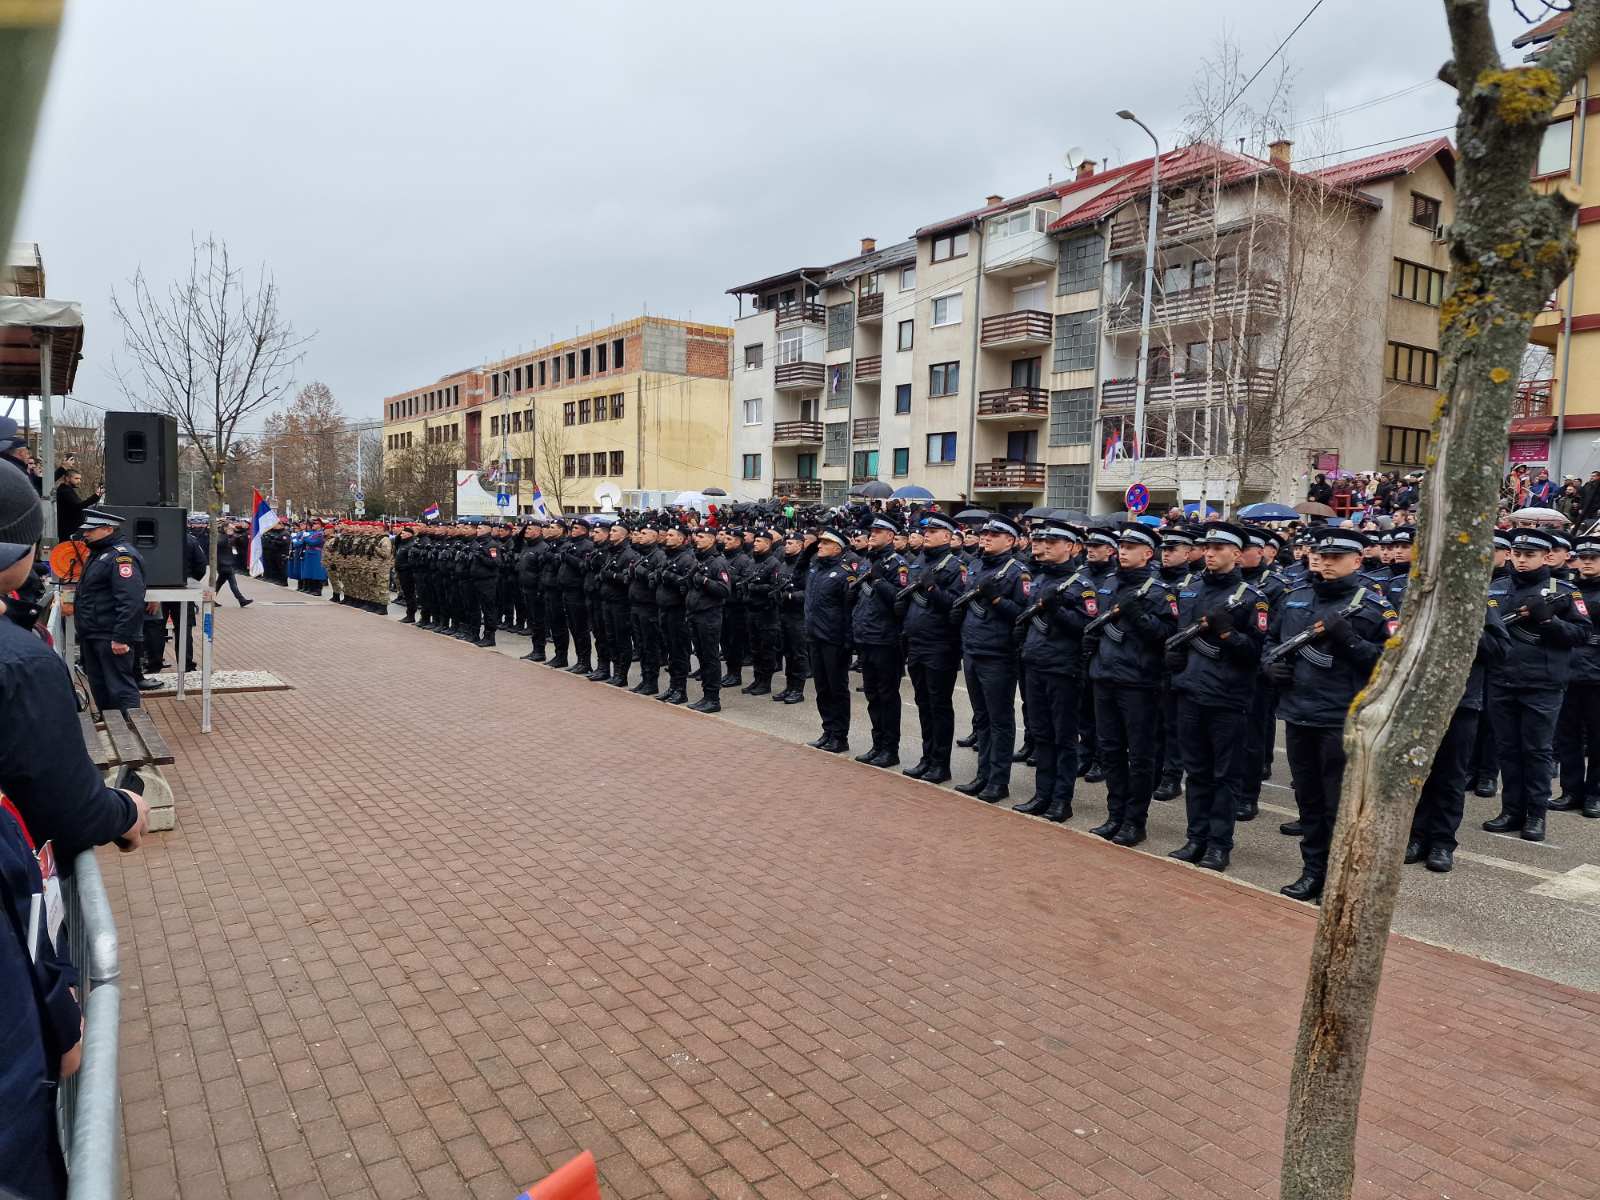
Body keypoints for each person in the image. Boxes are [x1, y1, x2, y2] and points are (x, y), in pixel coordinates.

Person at [1266, 528, 1396, 901]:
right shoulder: (1296, 598)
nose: (1325, 562)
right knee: (1308, 801)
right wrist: (1269, 668)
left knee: (1338, 804)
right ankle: (1312, 871)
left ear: (1357, 561)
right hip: (1299, 713)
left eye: (1336, 557)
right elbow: (1272, 642)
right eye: (1321, 555)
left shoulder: (1374, 606)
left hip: (1342, 718)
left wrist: (1349, 639)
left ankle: (1340, 880)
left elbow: (1391, 664)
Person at [1164, 522, 1266, 873]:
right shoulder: (1189, 590)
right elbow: (1179, 637)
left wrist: (1227, 634)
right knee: (1196, 771)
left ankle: (1219, 844)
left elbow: (1256, 653)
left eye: (1219, 548)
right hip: (1191, 693)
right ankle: (1196, 837)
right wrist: (1175, 662)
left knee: (1225, 776)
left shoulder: (1251, 598)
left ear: (1237, 554)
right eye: (1207, 547)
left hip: (1227, 697)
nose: (1209, 553)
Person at [1484, 528, 1589, 842]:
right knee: (1508, 750)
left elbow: (1581, 634)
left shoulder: (1565, 591)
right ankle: (1511, 810)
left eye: (1529, 555)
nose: (1521, 560)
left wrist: (1549, 621)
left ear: (1546, 556)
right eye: (1517, 554)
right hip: (1502, 679)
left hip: (1542, 683)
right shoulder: (1497, 588)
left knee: (1537, 751)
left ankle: (1535, 815)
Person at [1084, 524, 1179, 845]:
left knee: (1139, 756)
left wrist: (1139, 615)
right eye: (1121, 545)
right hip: (1104, 677)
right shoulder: (1109, 583)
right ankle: (1115, 814)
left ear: (1148, 553)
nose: (1122, 551)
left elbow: (1168, 636)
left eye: (1131, 546)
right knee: (1109, 750)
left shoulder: (1159, 591)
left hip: (1139, 683)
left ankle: (1135, 821)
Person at [1407, 597, 1510, 872]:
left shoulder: (1478, 603)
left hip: (1460, 703)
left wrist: (1470, 628)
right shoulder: (1418, 598)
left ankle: (1442, 842)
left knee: (1451, 777)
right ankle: (1416, 837)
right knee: (1419, 776)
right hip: (1420, 701)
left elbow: (1500, 651)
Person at [1014, 520, 1093, 822]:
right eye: (1042, 541)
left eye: (1053, 542)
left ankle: (1061, 799)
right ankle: (1042, 794)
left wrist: (1057, 610)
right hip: (1035, 664)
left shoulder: (1081, 585)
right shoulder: (1038, 579)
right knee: (1042, 733)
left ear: (1072, 547)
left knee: (1063, 737)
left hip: (1063, 669)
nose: (1044, 546)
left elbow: (1086, 627)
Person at [955, 514, 1031, 804]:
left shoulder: (1017, 571)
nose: (985, 538)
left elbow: (1023, 616)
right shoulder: (975, 565)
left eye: (993, 535)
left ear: (1010, 540)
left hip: (998, 653)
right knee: (981, 717)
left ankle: (999, 780)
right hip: (973, 648)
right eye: (984, 534)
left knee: (1000, 720)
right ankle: (983, 773)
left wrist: (999, 600)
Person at [900, 513, 966, 783]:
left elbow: (955, 604)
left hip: (940, 644)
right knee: (923, 703)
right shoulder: (919, 561)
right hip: (917, 642)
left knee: (939, 705)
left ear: (948, 537)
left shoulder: (954, 566)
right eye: (925, 530)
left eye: (934, 530)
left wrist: (932, 588)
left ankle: (941, 763)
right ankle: (927, 758)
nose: (926, 534)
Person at [72, 508, 159, 710]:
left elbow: (130, 600)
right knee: (100, 687)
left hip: (110, 635)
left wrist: (121, 637)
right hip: (93, 634)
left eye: (90, 530)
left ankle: (129, 730)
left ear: (107, 529)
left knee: (120, 689)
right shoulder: (99, 554)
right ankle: (111, 730)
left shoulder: (122, 557)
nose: (85, 534)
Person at [1556, 533, 1600, 819]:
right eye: (1582, 558)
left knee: (1597, 738)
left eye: (1593, 558)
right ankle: (1571, 790)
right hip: (1567, 670)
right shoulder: (1566, 589)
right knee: (1567, 736)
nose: (1586, 563)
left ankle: (1595, 793)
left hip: (1597, 674)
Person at [804, 528, 856, 753]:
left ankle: (840, 736)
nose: (819, 546)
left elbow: (850, 610)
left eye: (825, 543)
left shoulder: (845, 574)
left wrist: (848, 641)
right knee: (822, 688)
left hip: (834, 640)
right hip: (815, 636)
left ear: (837, 548)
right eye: (820, 543)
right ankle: (828, 731)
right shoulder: (816, 569)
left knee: (837, 689)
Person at [685, 526, 730, 712]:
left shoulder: (718, 562)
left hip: (709, 615)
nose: (697, 539)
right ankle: (706, 695)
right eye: (697, 536)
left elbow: (724, 590)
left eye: (702, 537)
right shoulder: (699, 559)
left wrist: (705, 581)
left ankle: (713, 699)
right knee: (702, 656)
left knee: (710, 657)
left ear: (712, 540)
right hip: (696, 614)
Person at [655, 523, 695, 704]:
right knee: (671, 650)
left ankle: (680, 690)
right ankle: (673, 686)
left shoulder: (687, 559)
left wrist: (672, 578)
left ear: (681, 538)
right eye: (667, 535)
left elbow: (687, 586)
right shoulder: (667, 556)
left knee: (679, 652)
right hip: (665, 609)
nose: (667, 537)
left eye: (672, 535)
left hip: (678, 611)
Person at [741, 528, 781, 697]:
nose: (755, 543)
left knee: (767, 649)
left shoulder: (773, 563)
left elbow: (775, 587)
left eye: (759, 541)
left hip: (767, 612)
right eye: (755, 540)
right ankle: (757, 679)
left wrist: (755, 588)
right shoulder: (752, 561)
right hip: (752, 610)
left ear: (768, 543)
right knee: (755, 648)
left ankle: (766, 682)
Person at [772, 531, 810, 704]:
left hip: (798, 615)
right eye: (786, 543)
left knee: (798, 654)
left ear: (800, 545)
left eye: (791, 543)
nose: (786, 546)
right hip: (783, 614)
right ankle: (789, 686)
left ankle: (798, 689)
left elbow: (810, 592)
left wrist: (791, 596)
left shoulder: (805, 566)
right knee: (787, 652)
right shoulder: (783, 564)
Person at [52, 467, 101, 542]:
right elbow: (78, 506)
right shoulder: (65, 491)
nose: (79, 481)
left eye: (80, 479)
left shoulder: (67, 490)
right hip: (68, 530)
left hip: (71, 529)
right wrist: (96, 496)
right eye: (76, 478)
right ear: (68, 478)